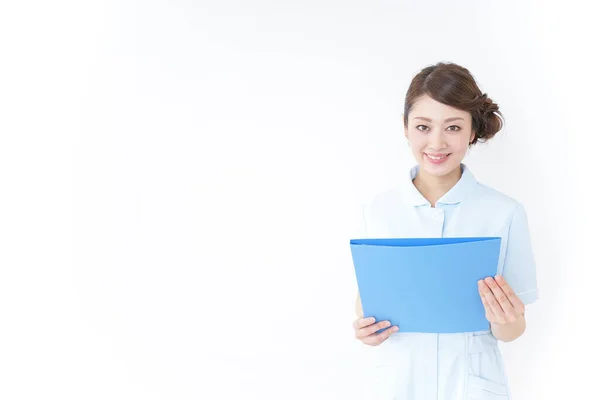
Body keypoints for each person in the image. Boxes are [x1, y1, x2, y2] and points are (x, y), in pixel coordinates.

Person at [352, 62, 539, 399]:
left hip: (471, 383)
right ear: (406, 128)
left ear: (472, 131)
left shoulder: (505, 212)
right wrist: (366, 331)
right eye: (423, 126)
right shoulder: (377, 209)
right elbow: (366, 306)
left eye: (453, 127)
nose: (436, 143)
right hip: (397, 382)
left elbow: (513, 329)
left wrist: (505, 318)